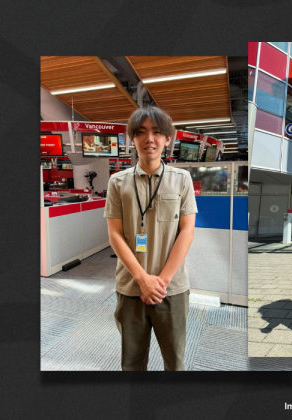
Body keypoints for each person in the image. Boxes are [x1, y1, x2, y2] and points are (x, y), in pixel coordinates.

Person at [103, 106, 198, 371]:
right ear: (132, 139)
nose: (150, 139)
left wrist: (160, 282)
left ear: (169, 138)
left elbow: (187, 232)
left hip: (172, 289)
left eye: (157, 132)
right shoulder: (117, 182)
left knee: (175, 361)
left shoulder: (182, 180)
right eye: (142, 132)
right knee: (132, 362)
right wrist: (143, 280)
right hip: (131, 288)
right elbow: (115, 234)